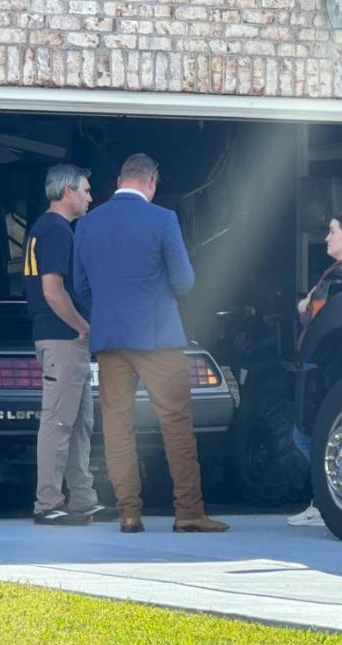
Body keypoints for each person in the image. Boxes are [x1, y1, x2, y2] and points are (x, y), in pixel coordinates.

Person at [73, 153, 229, 534]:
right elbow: (184, 281)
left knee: (117, 426)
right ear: (152, 181)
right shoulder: (163, 219)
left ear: (119, 179)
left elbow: (80, 287)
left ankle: (128, 512)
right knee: (175, 423)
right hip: (159, 337)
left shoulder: (88, 224)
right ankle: (188, 511)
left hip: (111, 339)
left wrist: (108, 312)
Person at [24, 164, 117, 526]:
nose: (90, 197)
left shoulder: (44, 228)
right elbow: (52, 290)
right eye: (86, 190)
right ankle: (47, 502)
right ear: (68, 193)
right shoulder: (57, 230)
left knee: (79, 423)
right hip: (62, 338)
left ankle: (82, 499)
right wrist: (83, 327)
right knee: (59, 422)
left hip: (62, 338)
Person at [288, 210, 342, 527]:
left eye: (333, 230)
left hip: (326, 364)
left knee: (306, 432)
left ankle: (328, 496)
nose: (327, 237)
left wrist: (305, 304)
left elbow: (316, 314)